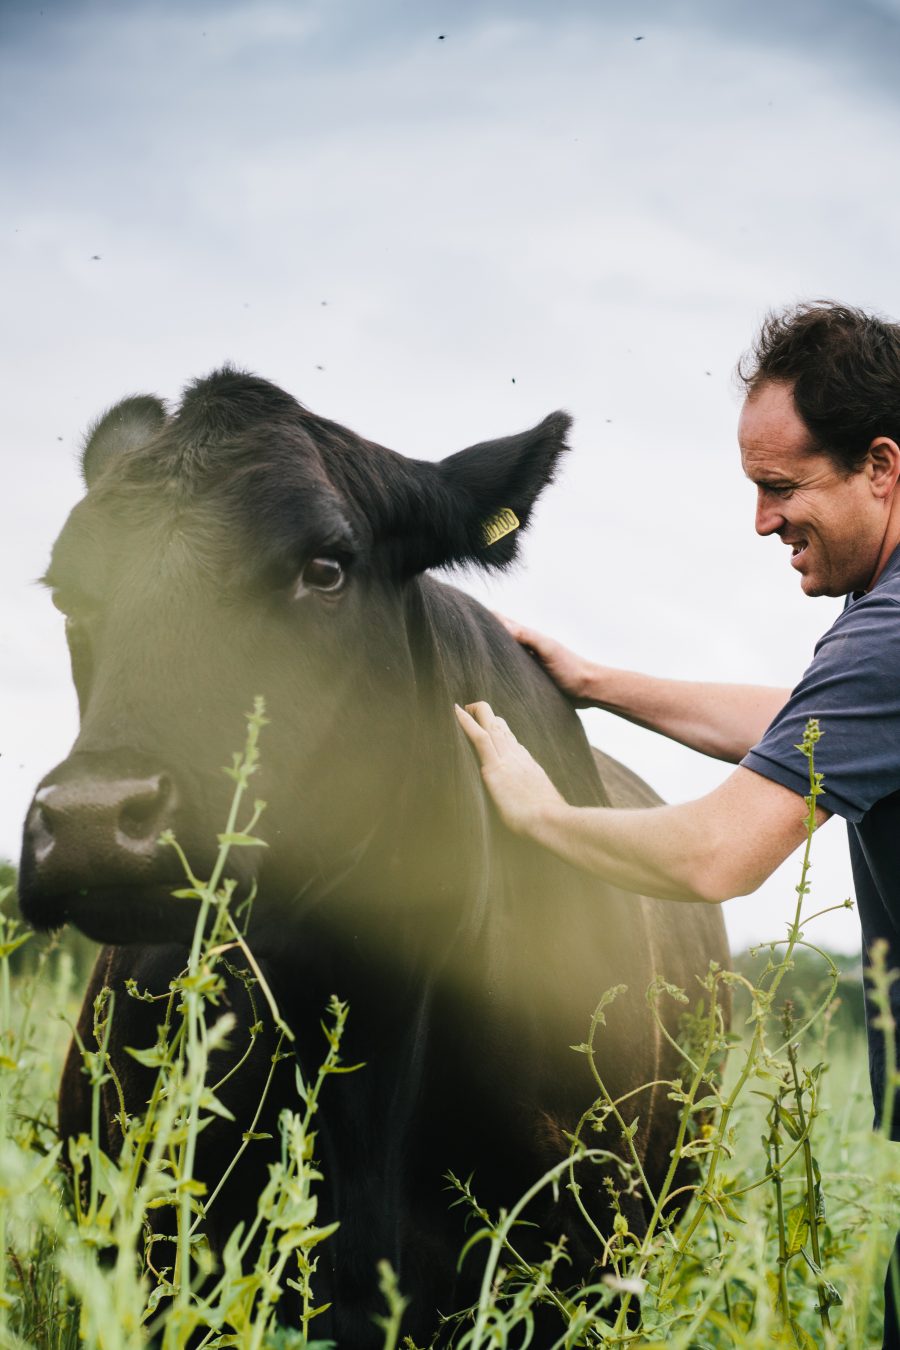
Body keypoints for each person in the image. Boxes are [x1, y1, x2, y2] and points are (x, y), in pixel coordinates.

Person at [455, 301, 900, 1348]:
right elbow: (811, 721)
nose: (759, 523)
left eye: (780, 488)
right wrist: (601, 683)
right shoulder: (877, 640)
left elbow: (714, 856)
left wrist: (541, 814)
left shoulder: (885, 636)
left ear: (881, 465)